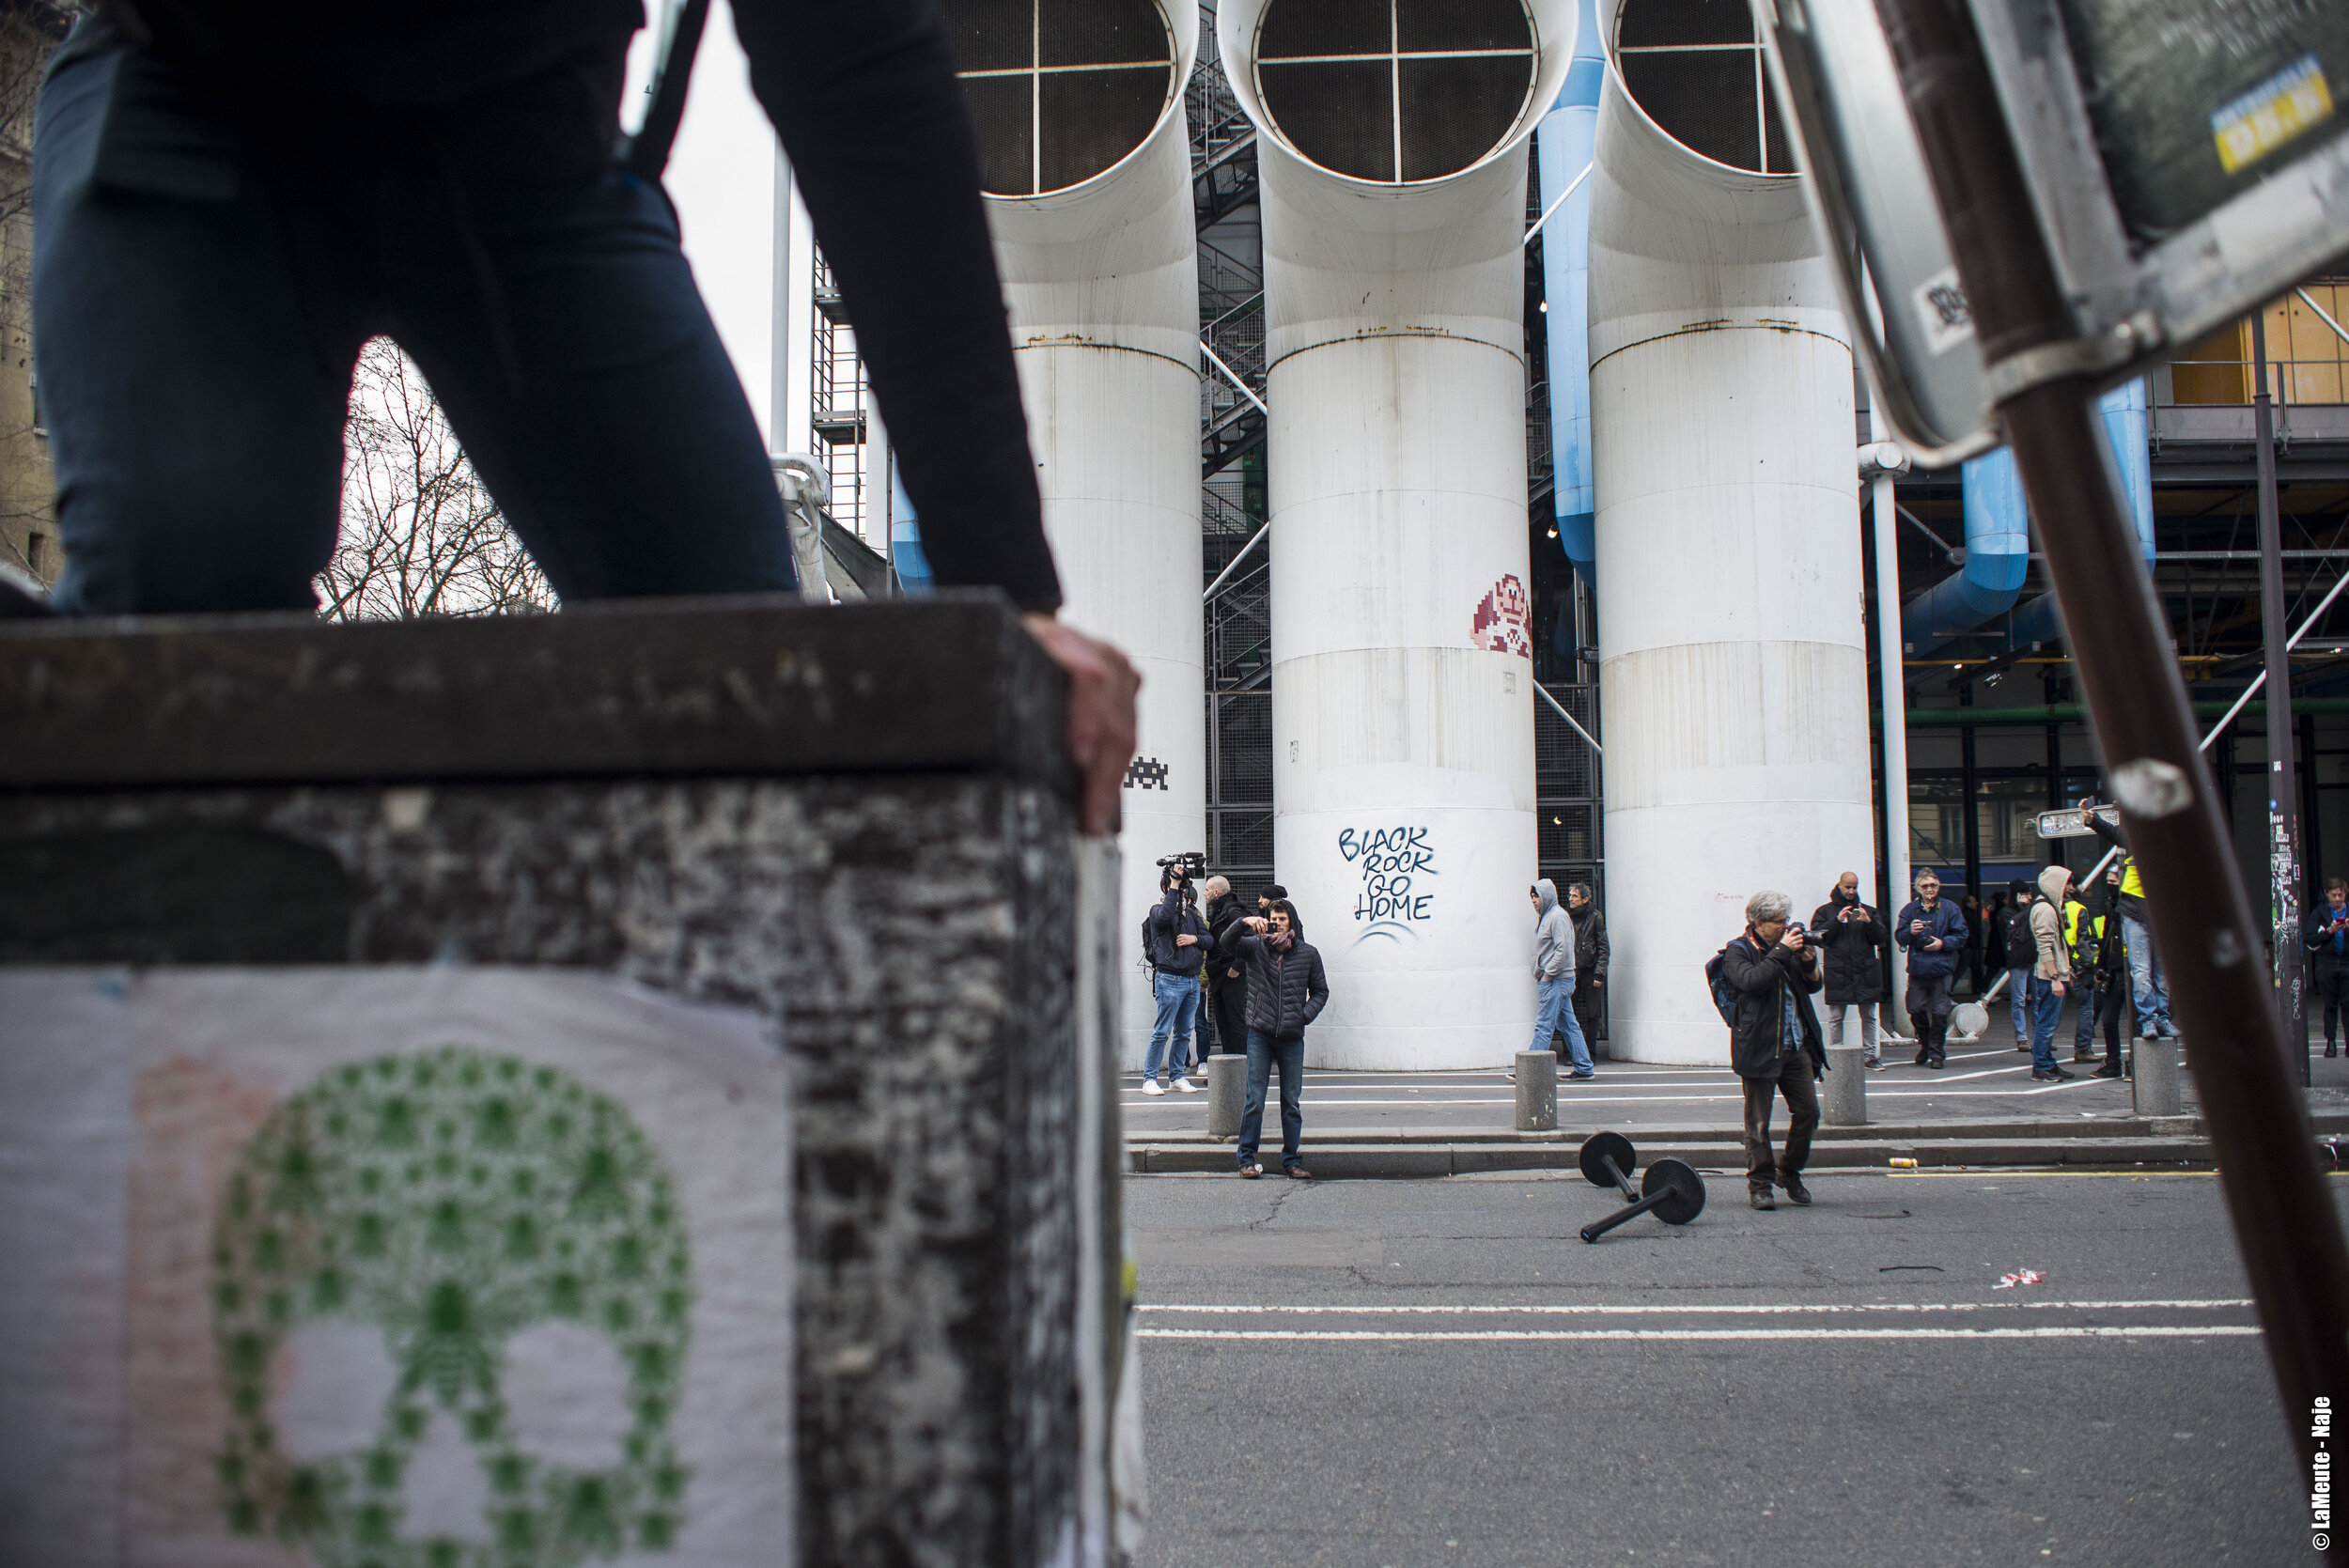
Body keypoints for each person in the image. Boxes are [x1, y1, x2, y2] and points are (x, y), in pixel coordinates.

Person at [23, 0, 1140, 833]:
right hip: (195, 98)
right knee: (179, 597)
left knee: (738, 671)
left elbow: (859, 74)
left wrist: (1007, 589)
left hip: (528, 161)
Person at [1716, 890, 1826, 1211]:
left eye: (1786, 920)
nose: (1785, 927)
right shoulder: (1737, 952)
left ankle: (1789, 1172)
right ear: (1758, 922)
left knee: (1809, 1112)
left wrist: (1808, 962)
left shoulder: (1786, 948)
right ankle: (1760, 1185)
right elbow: (1752, 982)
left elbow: (1813, 986)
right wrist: (1781, 952)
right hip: (1759, 1047)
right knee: (1759, 1123)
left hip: (1795, 1046)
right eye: (1779, 922)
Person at [1214, 899, 1330, 1179]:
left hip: (1291, 1036)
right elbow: (1226, 942)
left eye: (1282, 917)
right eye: (1272, 917)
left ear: (1292, 921)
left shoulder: (1308, 954)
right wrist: (1243, 923)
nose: (1277, 922)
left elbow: (1320, 991)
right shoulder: (1255, 947)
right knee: (1255, 1098)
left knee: (1291, 1100)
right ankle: (1246, 1159)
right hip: (1260, 1034)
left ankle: (1292, 1159)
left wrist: (1302, 1015)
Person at [2083, 798, 2177, 1041]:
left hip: (2158, 915)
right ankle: (2149, 1021)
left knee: (2161, 976)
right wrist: (2092, 819)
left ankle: (2161, 1019)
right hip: (2136, 912)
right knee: (2143, 972)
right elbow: (2113, 832)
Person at [1811, 871, 1890, 1070]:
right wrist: (1837, 921)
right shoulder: (1825, 911)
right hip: (1839, 971)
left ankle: (1871, 1056)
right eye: (1848, 887)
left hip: (1864, 970)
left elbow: (1881, 938)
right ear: (1839, 886)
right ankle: (1836, 1055)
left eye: (1854, 887)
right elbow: (1817, 937)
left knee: (1870, 1016)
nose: (1851, 891)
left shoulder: (1868, 911)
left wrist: (1869, 923)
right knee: (1836, 1017)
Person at [1140, 863, 1207, 1094]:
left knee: (1184, 1032)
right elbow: (1165, 916)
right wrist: (1173, 885)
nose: (1181, 894)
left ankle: (1176, 1076)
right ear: (1165, 887)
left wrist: (1193, 939)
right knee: (1162, 1031)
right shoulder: (1157, 910)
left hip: (1191, 980)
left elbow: (1210, 940)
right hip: (1169, 979)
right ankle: (1150, 1078)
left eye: (1182, 890)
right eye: (1177, 889)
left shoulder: (1191, 915)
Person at [1895, 870, 1969, 1067]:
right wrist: (1911, 931)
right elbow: (1899, 937)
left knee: (1940, 1012)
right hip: (1918, 968)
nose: (1929, 889)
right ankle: (1926, 1044)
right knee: (1915, 1008)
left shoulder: (1950, 908)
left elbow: (1962, 935)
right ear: (1918, 888)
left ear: (1938, 887)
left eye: (1933, 885)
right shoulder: (1910, 910)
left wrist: (1942, 944)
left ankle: (1937, 1054)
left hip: (1941, 968)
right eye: (1925, 886)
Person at [1527, 879, 1595, 1079]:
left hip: (1555, 981)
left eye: (1537, 896)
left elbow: (1563, 949)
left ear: (1547, 896)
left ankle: (1530, 1071)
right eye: (1532, 897)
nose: (1534, 901)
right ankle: (1584, 1067)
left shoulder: (1556, 917)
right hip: (1557, 979)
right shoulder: (1549, 916)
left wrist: (1548, 974)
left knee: (1544, 1024)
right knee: (1568, 1025)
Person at [2026, 864, 2076, 1081]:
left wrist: (2064, 972)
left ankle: (2047, 1063)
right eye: (2067, 883)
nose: (2070, 887)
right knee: (2046, 1024)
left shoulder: (2048, 906)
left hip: (2050, 974)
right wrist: (2056, 976)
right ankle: (2041, 1067)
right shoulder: (2046, 909)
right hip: (2048, 977)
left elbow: (2051, 945)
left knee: (2048, 1023)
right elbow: (2044, 945)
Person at [1201, 875, 1251, 1060]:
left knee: (1235, 1023)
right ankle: (1227, 1073)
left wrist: (1237, 966)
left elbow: (1249, 937)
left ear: (1216, 892)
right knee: (1223, 1024)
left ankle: (1243, 1071)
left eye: (1207, 890)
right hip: (1220, 975)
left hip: (1231, 975)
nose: (1204, 894)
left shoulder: (1233, 912)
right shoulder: (1220, 910)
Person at [2307, 878, 2349, 1059]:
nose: (2337, 898)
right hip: (2326, 965)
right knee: (2330, 1005)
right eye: (2334, 895)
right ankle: (2330, 1043)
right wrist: (2329, 932)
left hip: (2347, 964)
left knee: (2348, 1006)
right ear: (2327, 895)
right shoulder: (2320, 913)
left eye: (2340, 894)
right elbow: (2310, 939)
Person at [1568, 882, 1610, 1052]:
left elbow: (1603, 946)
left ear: (1585, 899)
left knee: (1592, 1014)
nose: (1571, 899)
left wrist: (1599, 974)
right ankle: (1571, 1052)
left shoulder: (1595, 917)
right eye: (1570, 895)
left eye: (1575, 896)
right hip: (1572, 971)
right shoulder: (1567, 916)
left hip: (1590, 971)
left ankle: (1590, 1053)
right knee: (1569, 1012)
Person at [2002, 880, 2039, 1050]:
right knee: (2019, 1000)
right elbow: (2016, 930)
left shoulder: (2024, 911)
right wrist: (2027, 909)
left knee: (2038, 999)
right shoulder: (2006, 914)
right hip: (2017, 961)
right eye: (2024, 895)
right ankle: (2022, 1037)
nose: (2028, 898)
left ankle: (2041, 1036)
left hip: (2032, 958)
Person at [1959, 893, 1987, 997]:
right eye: (1974, 901)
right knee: (1961, 970)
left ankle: (1981, 991)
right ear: (1968, 903)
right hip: (1968, 946)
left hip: (1968, 946)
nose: (1977, 903)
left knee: (1976, 970)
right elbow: (1969, 931)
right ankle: (1948, 992)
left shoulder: (1969, 914)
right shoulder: (1968, 915)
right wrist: (1972, 943)